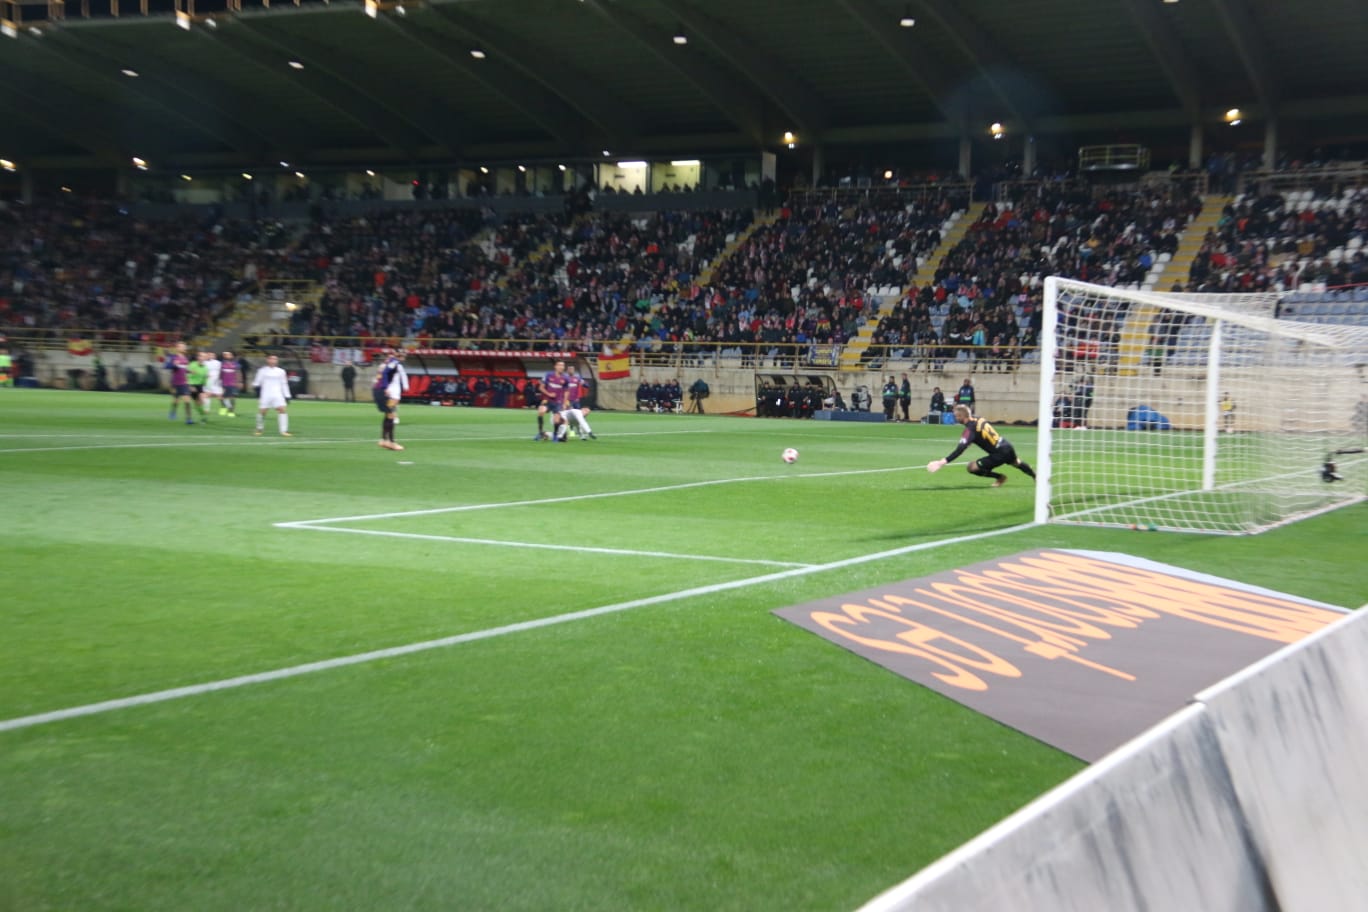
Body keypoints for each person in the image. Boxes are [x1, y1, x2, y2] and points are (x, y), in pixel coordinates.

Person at [927, 404, 1036, 488]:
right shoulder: (979, 419)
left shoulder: (970, 429)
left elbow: (960, 449)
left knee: (971, 467)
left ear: (961, 416)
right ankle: (1036, 476)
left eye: (956, 416)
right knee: (1016, 463)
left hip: (999, 454)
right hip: (1006, 445)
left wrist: (942, 462)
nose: (955, 418)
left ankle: (1000, 477)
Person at [373, 350, 409, 450]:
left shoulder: (386, 363)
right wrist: (385, 388)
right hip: (385, 392)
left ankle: (384, 440)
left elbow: (380, 376)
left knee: (389, 415)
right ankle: (391, 442)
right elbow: (385, 373)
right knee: (391, 416)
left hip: (378, 391)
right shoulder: (394, 363)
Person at [252, 353, 292, 437]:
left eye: (275, 359)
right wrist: (256, 390)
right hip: (266, 394)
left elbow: (284, 384)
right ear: (267, 360)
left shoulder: (281, 371)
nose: (273, 360)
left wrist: (287, 395)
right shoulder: (262, 370)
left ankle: (284, 431)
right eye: (271, 359)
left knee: (282, 410)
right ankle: (259, 429)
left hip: (277, 394)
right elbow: (257, 382)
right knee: (262, 412)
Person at [556, 364, 597, 440]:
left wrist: (585, 384)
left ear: (574, 371)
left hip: (576, 400)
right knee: (567, 416)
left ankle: (581, 435)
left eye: (572, 369)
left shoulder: (577, 378)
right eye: (569, 369)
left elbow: (586, 385)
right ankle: (570, 431)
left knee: (580, 417)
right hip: (568, 401)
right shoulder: (565, 378)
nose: (571, 370)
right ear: (567, 370)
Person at [536, 359, 569, 440]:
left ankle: (555, 435)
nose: (562, 367)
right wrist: (549, 394)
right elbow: (541, 387)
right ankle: (540, 432)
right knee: (541, 411)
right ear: (555, 366)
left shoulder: (566, 378)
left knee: (556, 420)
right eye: (560, 365)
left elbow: (566, 391)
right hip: (547, 400)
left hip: (558, 402)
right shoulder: (548, 375)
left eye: (563, 365)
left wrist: (564, 403)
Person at [165, 341, 194, 424]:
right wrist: (174, 365)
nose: (184, 348)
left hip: (184, 383)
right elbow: (167, 366)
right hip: (175, 383)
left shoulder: (185, 358)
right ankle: (173, 412)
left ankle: (188, 419)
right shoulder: (173, 357)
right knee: (176, 400)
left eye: (184, 347)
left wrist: (190, 371)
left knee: (187, 400)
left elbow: (184, 369)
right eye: (182, 346)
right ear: (177, 348)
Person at [186, 349, 209, 423]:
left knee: (201, 401)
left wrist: (205, 384)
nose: (202, 358)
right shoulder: (192, 364)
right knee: (196, 404)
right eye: (200, 356)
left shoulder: (205, 368)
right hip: (192, 385)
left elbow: (205, 379)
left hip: (200, 386)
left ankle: (204, 413)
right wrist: (189, 385)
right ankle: (202, 415)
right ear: (198, 357)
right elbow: (187, 375)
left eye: (203, 356)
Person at [219, 351, 241, 417]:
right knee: (222, 397)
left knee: (232, 397)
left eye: (229, 354)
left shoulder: (235, 364)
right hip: (223, 383)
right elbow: (220, 373)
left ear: (232, 356)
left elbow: (238, 373)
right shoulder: (222, 363)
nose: (227, 356)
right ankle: (225, 407)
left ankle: (231, 411)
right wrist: (219, 381)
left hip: (232, 383)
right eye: (226, 355)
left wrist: (239, 382)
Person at [202, 350, 223, 417]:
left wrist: (220, 380)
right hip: (207, 381)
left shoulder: (218, 363)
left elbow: (221, 372)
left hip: (216, 381)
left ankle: (223, 407)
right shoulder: (204, 362)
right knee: (207, 394)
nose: (210, 356)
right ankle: (206, 409)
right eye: (209, 355)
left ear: (214, 356)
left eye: (211, 355)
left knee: (219, 396)